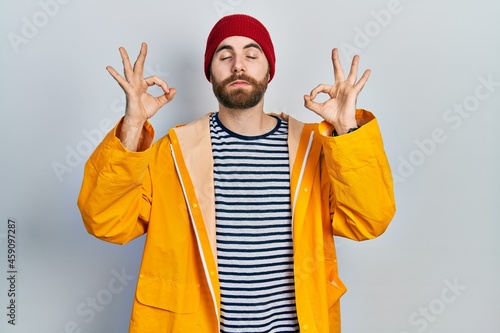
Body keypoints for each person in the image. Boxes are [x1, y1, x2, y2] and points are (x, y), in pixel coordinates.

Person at [77, 13, 395, 333]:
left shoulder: (316, 149)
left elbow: (369, 219)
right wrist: (132, 126)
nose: (238, 65)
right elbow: (105, 221)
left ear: (269, 71)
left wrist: (346, 129)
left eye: (252, 55)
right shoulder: (172, 153)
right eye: (225, 55)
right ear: (210, 73)